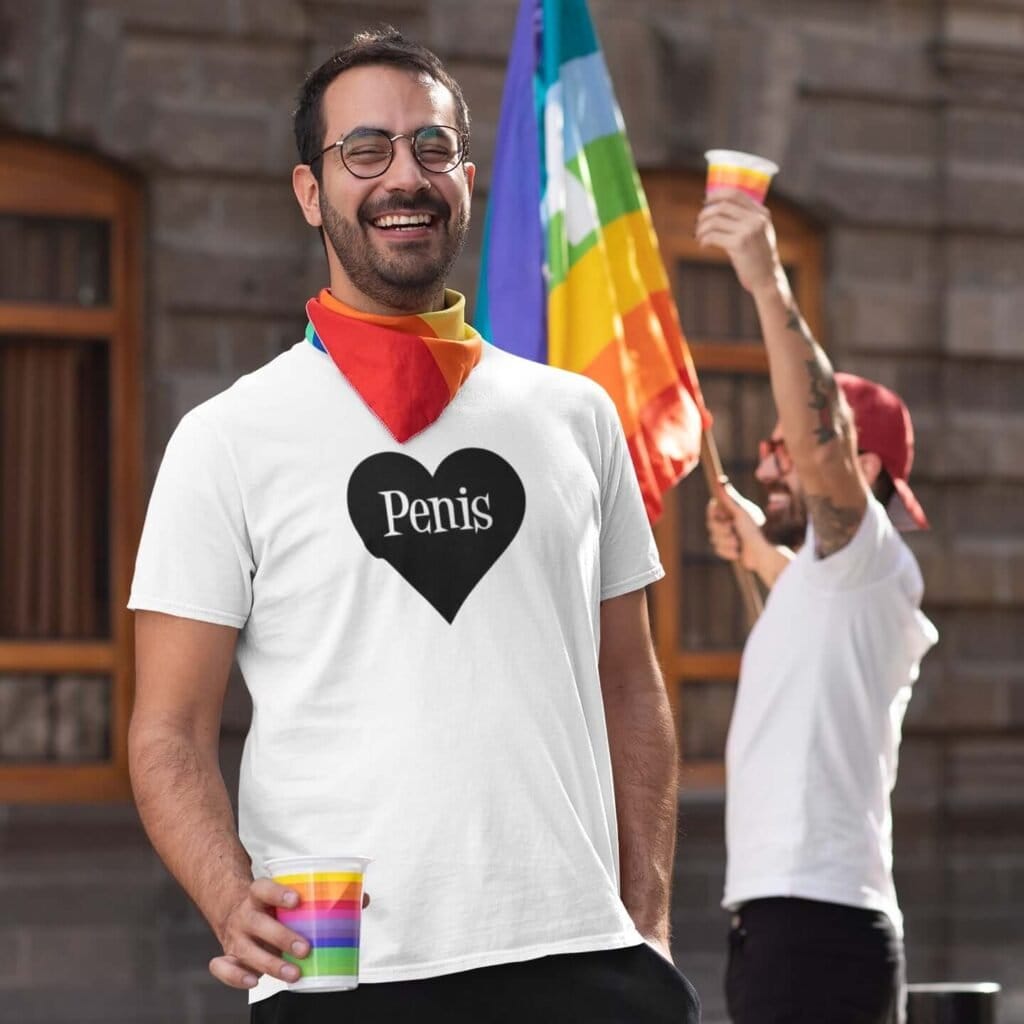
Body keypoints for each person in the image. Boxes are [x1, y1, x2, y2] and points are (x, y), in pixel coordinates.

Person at [127, 27, 700, 1024]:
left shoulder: (576, 416)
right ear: (311, 191)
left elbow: (629, 681)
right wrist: (228, 898)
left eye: (431, 149)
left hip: (584, 957)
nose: (406, 176)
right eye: (366, 150)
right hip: (344, 968)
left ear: (466, 177)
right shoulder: (227, 437)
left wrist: (644, 914)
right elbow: (168, 730)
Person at [697, 188, 938, 1024]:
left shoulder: (866, 555)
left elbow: (817, 440)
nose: (768, 468)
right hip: (784, 927)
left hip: (817, 931)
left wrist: (768, 285)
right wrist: (757, 547)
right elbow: (804, 602)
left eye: (779, 452)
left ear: (858, 467)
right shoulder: (823, 576)